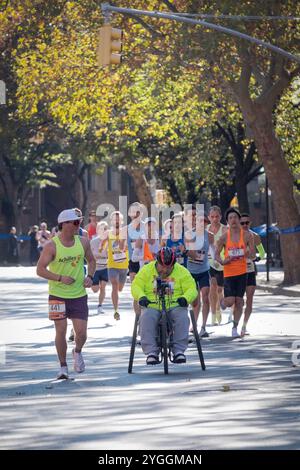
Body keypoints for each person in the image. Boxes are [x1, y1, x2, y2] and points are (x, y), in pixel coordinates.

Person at [36, 208, 96, 379]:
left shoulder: (83, 242)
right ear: (64, 224)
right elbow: (40, 270)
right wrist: (60, 277)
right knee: (60, 331)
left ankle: (77, 352)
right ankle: (63, 366)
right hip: (57, 294)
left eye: (79, 222)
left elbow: (91, 261)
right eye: (76, 222)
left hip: (78, 294)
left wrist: (90, 277)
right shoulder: (51, 246)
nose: (78, 225)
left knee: (82, 333)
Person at [131, 247, 198, 365]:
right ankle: (151, 352)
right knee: (146, 317)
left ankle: (178, 350)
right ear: (157, 262)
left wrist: (186, 298)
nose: (165, 270)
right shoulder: (146, 270)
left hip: (175, 304)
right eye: (163, 266)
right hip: (152, 304)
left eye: (169, 267)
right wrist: (141, 297)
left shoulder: (182, 271)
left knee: (182, 316)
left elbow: (192, 288)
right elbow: (136, 285)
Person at [215, 207, 255, 338]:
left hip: (243, 272)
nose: (233, 220)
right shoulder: (224, 237)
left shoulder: (248, 236)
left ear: (239, 220)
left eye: (235, 218)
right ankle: (222, 302)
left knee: (239, 301)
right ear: (227, 221)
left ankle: (235, 327)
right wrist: (222, 261)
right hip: (229, 273)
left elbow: (254, 254)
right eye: (230, 218)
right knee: (230, 301)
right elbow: (216, 255)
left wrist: (249, 254)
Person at [185, 212, 214, 338]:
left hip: (204, 270)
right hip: (191, 271)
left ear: (207, 224)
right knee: (195, 300)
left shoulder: (210, 235)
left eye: (204, 222)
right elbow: (189, 252)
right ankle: (194, 324)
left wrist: (218, 261)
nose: (201, 224)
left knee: (206, 297)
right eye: (199, 221)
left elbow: (213, 251)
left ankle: (203, 327)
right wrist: (195, 254)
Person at [240, 213, 265, 337]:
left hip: (250, 271)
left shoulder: (256, 236)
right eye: (242, 223)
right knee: (239, 300)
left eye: (246, 223)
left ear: (250, 223)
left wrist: (257, 258)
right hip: (236, 272)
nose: (244, 225)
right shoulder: (233, 236)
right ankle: (235, 320)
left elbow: (262, 252)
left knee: (249, 299)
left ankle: (244, 326)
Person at [107, 211, 129, 321]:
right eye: (114, 219)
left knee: (120, 288)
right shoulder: (108, 233)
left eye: (118, 219)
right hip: (112, 264)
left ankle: (116, 307)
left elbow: (126, 245)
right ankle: (116, 310)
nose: (116, 221)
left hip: (123, 265)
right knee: (114, 286)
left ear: (121, 221)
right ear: (111, 221)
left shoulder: (125, 232)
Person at [207, 206, 227, 325]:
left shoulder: (225, 229)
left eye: (217, 216)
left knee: (220, 289)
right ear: (209, 217)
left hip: (222, 262)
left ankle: (218, 309)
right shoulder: (205, 229)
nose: (214, 219)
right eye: (212, 217)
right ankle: (213, 314)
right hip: (209, 263)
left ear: (220, 217)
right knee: (212, 287)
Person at [90, 221, 109, 314]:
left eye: (105, 229)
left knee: (103, 287)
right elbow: (89, 255)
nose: (103, 231)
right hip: (95, 269)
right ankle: (92, 284)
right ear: (98, 230)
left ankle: (100, 305)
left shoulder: (109, 241)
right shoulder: (93, 241)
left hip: (105, 267)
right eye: (101, 229)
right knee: (95, 290)